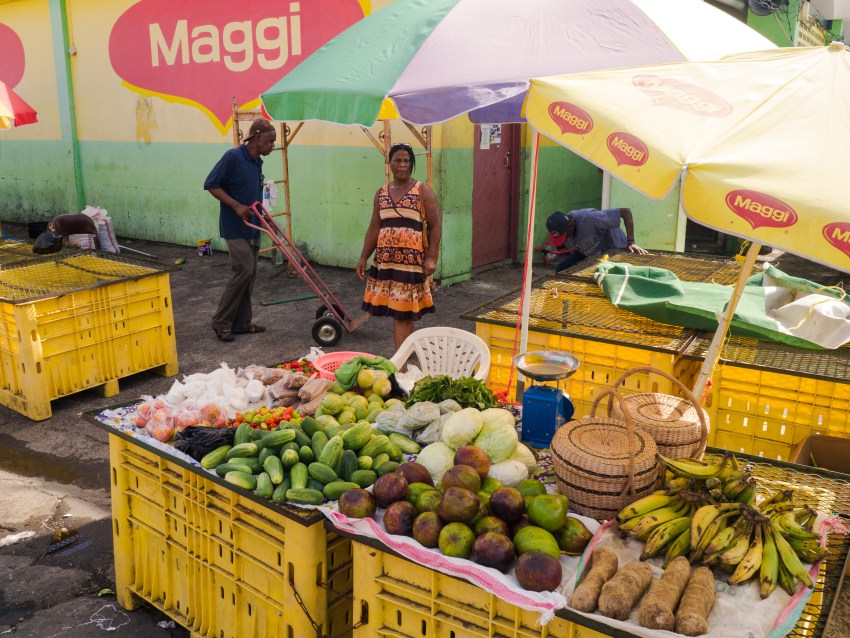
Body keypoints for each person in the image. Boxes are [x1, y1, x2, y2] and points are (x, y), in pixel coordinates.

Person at [356, 143, 442, 351]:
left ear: (412, 164)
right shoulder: (382, 193)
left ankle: (400, 363)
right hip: (386, 263)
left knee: (402, 313)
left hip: (410, 265)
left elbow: (435, 226)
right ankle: (403, 357)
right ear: (390, 163)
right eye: (398, 160)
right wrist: (363, 257)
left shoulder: (422, 190)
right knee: (398, 312)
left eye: (406, 161)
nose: (402, 165)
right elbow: (375, 227)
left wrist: (430, 257)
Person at [204, 118, 276, 342]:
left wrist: (265, 218)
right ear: (256, 138)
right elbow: (211, 184)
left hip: (253, 226)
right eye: (270, 141)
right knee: (243, 270)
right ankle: (221, 321)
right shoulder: (233, 157)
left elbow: (253, 194)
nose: (273, 145)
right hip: (235, 226)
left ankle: (242, 323)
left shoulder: (257, 161)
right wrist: (236, 206)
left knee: (251, 273)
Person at [546, 207, 648, 273]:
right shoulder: (566, 225)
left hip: (612, 249)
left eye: (564, 235)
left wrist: (631, 242)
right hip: (589, 253)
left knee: (603, 275)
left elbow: (626, 212)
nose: (565, 239)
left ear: (571, 225)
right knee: (560, 269)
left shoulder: (592, 218)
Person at [32, 213, 100, 254]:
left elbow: (61, 243)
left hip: (86, 228)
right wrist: (72, 245)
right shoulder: (54, 229)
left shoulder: (55, 228)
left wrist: (71, 245)